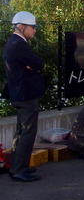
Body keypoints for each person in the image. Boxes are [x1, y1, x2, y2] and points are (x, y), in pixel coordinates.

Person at [3, 11, 46, 182]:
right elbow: (38, 63)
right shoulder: (19, 45)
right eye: (32, 27)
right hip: (25, 95)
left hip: (20, 94)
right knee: (27, 132)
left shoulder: (14, 43)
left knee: (21, 132)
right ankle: (19, 169)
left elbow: (33, 65)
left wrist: (32, 66)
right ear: (22, 26)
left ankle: (18, 166)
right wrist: (33, 66)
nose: (34, 30)